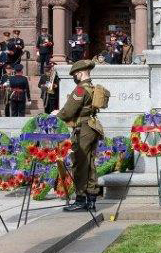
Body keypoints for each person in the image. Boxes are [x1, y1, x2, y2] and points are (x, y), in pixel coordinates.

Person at [55, 60, 104, 212]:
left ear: (80, 73)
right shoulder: (92, 87)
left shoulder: (80, 90)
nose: (75, 77)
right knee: (89, 164)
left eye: (75, 74)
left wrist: (57, 115)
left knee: (80, 163)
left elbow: (68, 112)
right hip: (91, 127)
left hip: (82, 129)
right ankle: (91, 200)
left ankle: (81, 199)